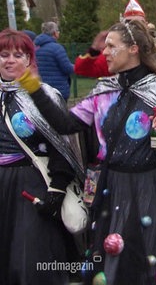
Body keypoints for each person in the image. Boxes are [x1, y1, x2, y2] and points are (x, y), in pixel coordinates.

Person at [17, 20, 156, 283]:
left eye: (112, 46)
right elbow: (65, 124)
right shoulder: (103, 91)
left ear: (133, 49)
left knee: (154, 264)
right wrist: (33, 88)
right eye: (105, 47)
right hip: (112, 187)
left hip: (154, 188)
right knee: (114, 264)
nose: (105, 52)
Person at [0, 29, 84, 284]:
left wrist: (57, 190)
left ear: (29, 60)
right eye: (4, 55)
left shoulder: (45, 95)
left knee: (33, 259)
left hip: (33, 181)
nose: (10, 60)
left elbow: (62, 145)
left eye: (18, 55)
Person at [75, 0, 156, 78]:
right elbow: (81, 70)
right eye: (128, 23)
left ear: (146, 24)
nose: (133, 27)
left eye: (138, 23)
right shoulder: (114, 53)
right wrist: (94, 50)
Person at [34, 21, 75, 101]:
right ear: (54, 33)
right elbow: (67, 68)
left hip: (41, 89)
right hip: (57, 90)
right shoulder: (57, 48)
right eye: (58, 31)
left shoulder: (35, 48)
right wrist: (77, 67)